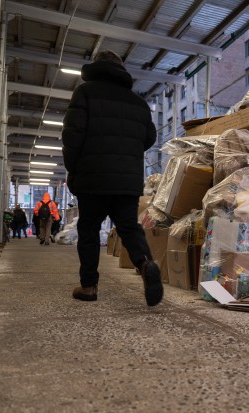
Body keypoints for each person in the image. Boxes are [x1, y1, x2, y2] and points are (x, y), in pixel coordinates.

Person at [62, 50, 162, 306]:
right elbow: (149, 137)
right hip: (126, 181)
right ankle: (145, 263)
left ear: (96, 67)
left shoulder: (85, 93)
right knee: (129, 227)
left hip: (91, 177)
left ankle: (89, 286)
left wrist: (73, 170)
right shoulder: (138, 102)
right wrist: (127, 150)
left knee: (89, 231)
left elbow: (72, 136)